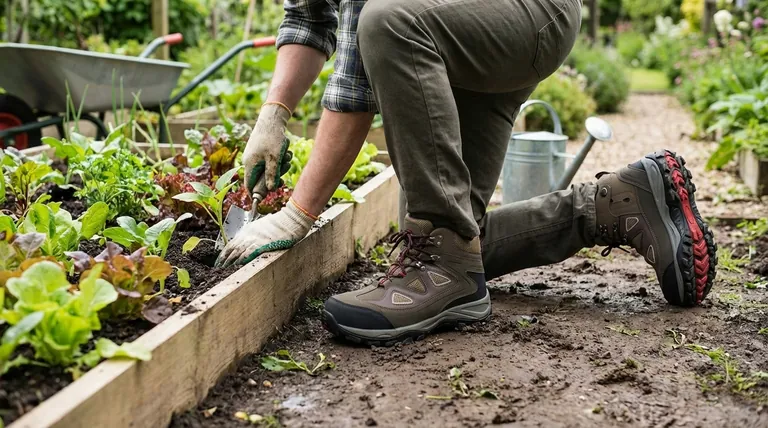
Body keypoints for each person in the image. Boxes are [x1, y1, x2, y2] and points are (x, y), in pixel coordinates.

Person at [215, 0, 717, 346]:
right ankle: (617, 204)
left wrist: (297, 215)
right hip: (455, 20)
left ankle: (444, 267)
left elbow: (356, 77)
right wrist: (274, 111)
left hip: (522, 14)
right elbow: (308, 19)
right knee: (449, 234)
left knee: (387, 23)